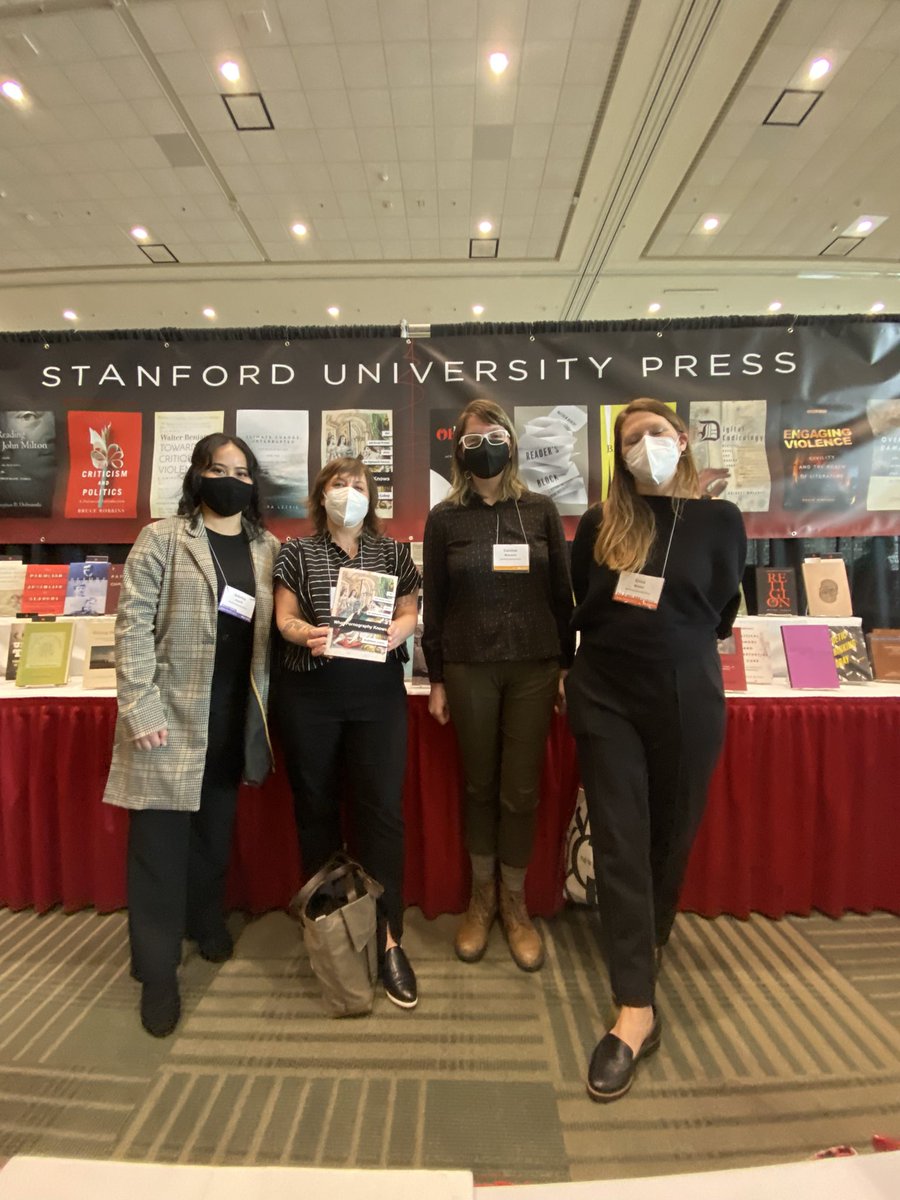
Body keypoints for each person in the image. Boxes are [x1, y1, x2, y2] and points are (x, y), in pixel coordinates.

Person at [566, 398, 747, 1102]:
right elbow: (584, 597)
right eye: (631, 438)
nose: (645, 444)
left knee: (671, 833)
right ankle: (635, 1009)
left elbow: (722, 609)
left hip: (686, 690)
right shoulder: (599, 523)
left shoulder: (720, 521)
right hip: (605, 690)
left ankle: (653, 937)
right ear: (619, 457)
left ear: (683, 439)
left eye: (656, 432)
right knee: (619, 837)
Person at [103, 434, 280, 1038]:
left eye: (242, 471)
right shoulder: (162, 538)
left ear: (253, 484)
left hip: (232, 716)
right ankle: (157, 973)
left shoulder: (266, 547)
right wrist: (140, 708)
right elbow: (131, 627)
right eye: (218, 468)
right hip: (169, 716)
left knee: (212, 833)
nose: (231, 479)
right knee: (158, 848)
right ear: (198, 475)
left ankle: (205, 920)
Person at [423, 399, 574, 972]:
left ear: (510, 443)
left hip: (535, 665)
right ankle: (481, 898)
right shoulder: (444, 518)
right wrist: (437, 677)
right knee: (480, 785)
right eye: (473, 438)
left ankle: (514, 902)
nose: (484, 446)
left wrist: (566, 666)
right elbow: (436, 604)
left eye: (494, 436)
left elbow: (562, 594)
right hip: (468, 665)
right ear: (458, 450)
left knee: (520, 791)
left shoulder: (540, 509)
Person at [271, 457, 421, 1009]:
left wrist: (395, 632)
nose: (349, 492)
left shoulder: (393, 552)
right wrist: (303, 633)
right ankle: (333, 930)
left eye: (359, 484)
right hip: (310, 695)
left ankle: (388, 938)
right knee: (316, 809)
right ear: (321, 495)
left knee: (381, 811)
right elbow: (284, 618)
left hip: (376, 696)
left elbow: (409, 612)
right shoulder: (296, 552)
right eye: (339, 484)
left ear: (371, 496)